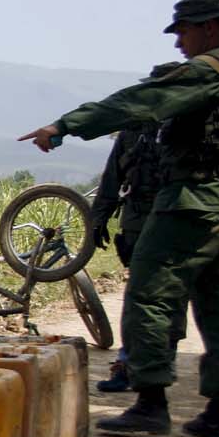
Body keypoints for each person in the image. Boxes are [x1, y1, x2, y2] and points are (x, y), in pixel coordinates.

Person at [21, 0, 219, 437]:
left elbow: (140, 102)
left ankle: (150, 404)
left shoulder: (208, 73)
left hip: (190, 202)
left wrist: (66, 125)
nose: (178, 44)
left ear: (210, 27)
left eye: (183, 31)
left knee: (150, 294)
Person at [90, 63, 181, 393]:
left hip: (173, 223)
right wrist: (98, 217)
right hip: (136, 223)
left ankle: (157, 363)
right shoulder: (134, 129)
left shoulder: (187, 126)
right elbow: (113, 176)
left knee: (167, 300)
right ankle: (128, 365)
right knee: (138, 299)